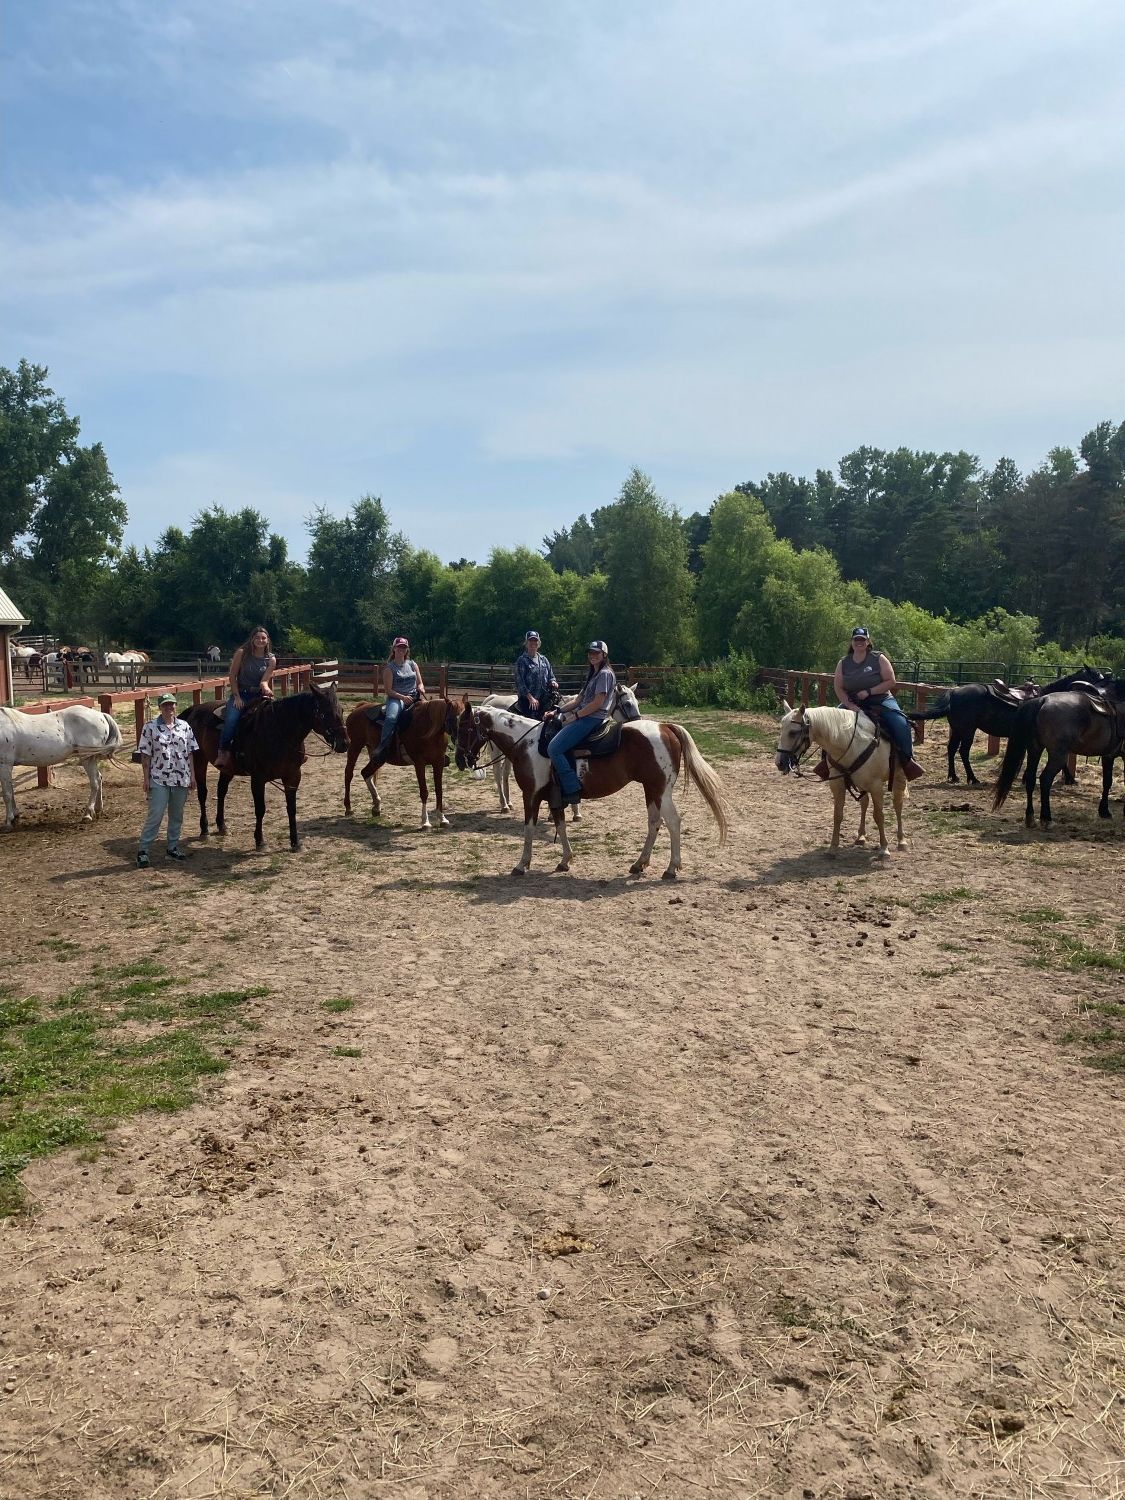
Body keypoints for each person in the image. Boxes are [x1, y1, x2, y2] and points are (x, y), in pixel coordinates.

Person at [834, 626, 924, 780]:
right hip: (853, 702)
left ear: (868, 642)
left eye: (862, 639)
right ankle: (828, 763)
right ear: (852, 642)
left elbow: (891, 681)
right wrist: (850, 705)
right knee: (831, 723)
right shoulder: (843, 663)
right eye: (856, 639)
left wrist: (869, 692)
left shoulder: (878, 658)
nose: (859, 642)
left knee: (901, 723)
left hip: (881, 700)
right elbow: (838, 687)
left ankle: (907, 761)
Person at [547, 640, 616, 808]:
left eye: (596, 653)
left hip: (592, 718)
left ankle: (571, 788)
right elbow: (579, 700)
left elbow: (598, 703)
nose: (593, 655)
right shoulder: (593, 674)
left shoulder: (605, 674)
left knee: (554, 748)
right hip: (586, 715)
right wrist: (558, 712)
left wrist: (576, 716)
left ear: (604, 655)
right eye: (591, 653)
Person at [137, 692, 198, 867]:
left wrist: (192, 776)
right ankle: (143, 850)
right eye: (165, 705)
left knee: (177, 814)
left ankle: (172, 847)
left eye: (171, 704)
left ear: (175, 706)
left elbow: (190, 753)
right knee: (155, 814)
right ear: (160, 707)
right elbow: (145, 755)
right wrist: (146, 778)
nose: (169, 708)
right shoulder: (150, 727)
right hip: (159, 777)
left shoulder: (185, 727)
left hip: (181, 776)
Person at [215, 626, 276, 771]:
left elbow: (264, 681)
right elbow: (232, 676)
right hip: (241, 693)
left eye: (263, 638)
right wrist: (236, 697)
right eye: (257, 638)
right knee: (232, 719)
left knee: (276, 716)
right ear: (252, 639)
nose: (260, 640)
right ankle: (223, 750)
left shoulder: (271, 659)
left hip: (259, 695)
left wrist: (266, 688)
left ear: (267, 640)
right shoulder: (242, 653)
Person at [371, 636, 426, 767]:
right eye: (399, 647)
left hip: (414, 696)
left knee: (431, 713)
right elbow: (388, 691)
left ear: (407, 650)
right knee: (391, 717)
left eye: (404, 648)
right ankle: (383, 747)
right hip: (396, 698)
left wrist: (421, 687)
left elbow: (420, 682)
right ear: (394, 649)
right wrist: (402, 698)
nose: (401, 650)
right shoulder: (389, 669)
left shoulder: (413, 664)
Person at [514, 630, 558, 719]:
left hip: (544, 699)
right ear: (526, 643)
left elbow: (551, 676)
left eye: (535, 641)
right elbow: (520, 683)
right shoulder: (522, 661)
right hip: (528, 700)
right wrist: (530, 698)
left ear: (538, 643)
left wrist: (553, 682)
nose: (533, 643)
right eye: (531, 641)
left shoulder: (544, 660)